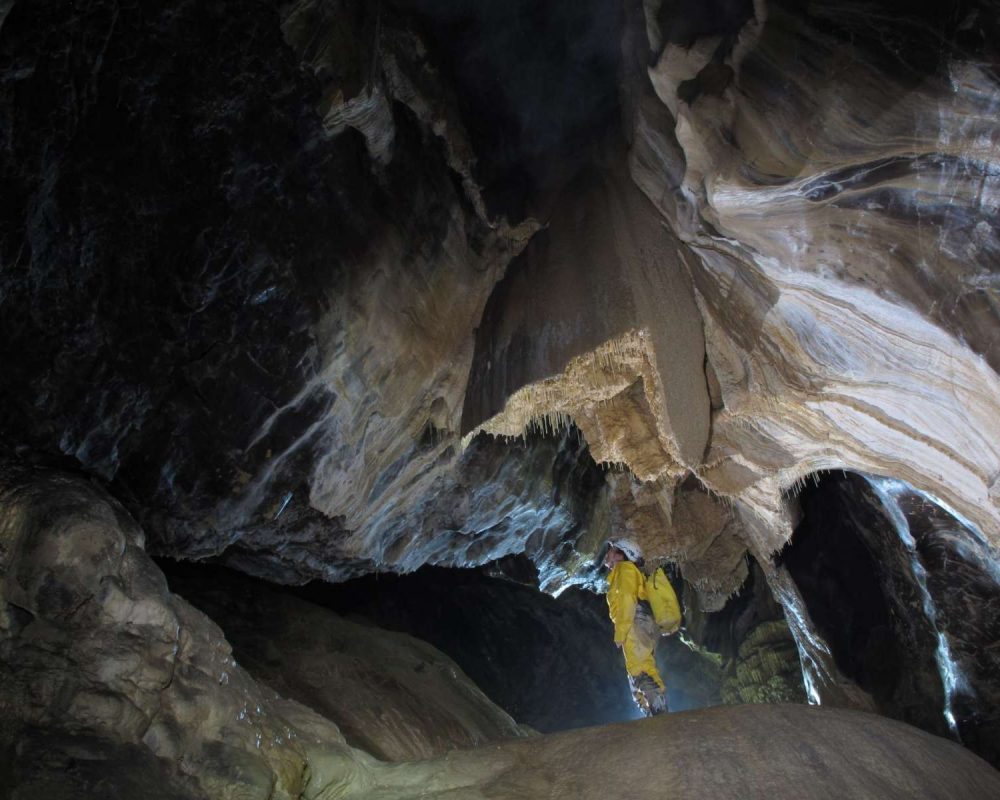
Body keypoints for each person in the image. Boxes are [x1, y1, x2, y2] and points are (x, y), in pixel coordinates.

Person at [604, 538, 669, 716]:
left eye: (611, 549)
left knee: (641, 670)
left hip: (635, 621)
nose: (607, 553)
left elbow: (626, 600)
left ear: (620, 554)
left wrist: (621, 632)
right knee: (638, 672)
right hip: (640, 622)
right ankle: (652, 714)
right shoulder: (622, 572)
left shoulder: (625, 571)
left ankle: (661, 715)